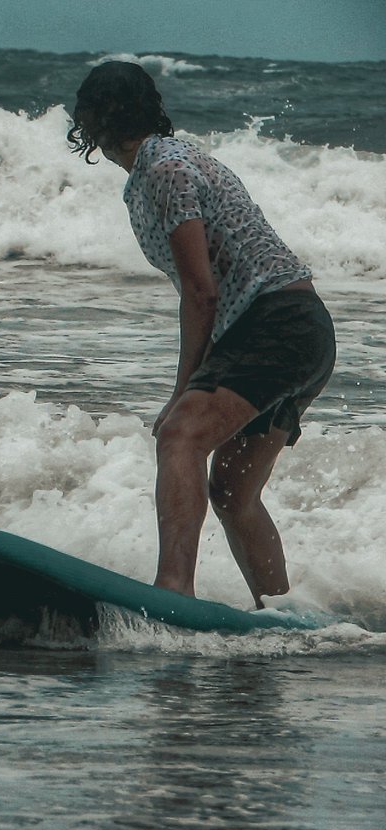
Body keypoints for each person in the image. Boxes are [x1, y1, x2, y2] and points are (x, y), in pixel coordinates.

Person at [67, 61, 336, 609]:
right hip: (300, 329)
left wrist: (180, 392)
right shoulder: (159, 167)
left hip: (276, 323)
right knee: (233, 494)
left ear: (90, 118)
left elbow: (200, 291)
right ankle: (280, 618)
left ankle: (173, 591)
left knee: (179, 436)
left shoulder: (165, 169)